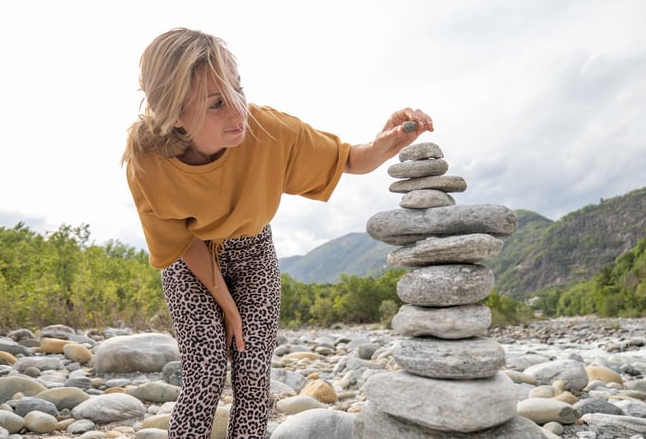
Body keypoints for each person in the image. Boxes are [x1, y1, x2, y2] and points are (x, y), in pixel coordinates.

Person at [121, 27, 434, 439]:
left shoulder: (269, 130)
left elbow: (348, 159)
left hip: (254, 253)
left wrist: (384, 142)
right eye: (216, 104)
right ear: (175, 115)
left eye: (238, 90)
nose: (238, 113)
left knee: (252, 376)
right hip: (191, 260)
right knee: (207, 369)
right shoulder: (146, 160)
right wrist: (228, 308)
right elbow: (180, 242)